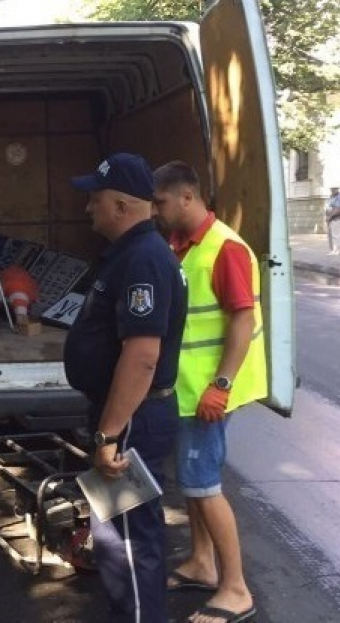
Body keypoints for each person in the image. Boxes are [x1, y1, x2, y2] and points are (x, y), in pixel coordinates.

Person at [64, 153, 187, 623]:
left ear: (120, 205)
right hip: (123, 418)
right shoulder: (133, 254)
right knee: (115, 535)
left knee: (130, 542)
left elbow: (142, 356)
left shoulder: (143, 260)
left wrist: (111, 434)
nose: (88, 209)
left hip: (131, 421)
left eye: (95, 199)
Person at [152, 161, 263, 623]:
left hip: (207, 394)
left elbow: (243, 319)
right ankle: (201, 561)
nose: (155, 212)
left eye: (159, 203)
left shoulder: (224, 248)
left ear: (186, 198)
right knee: (192, 485)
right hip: (189, 390)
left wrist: (221, 385)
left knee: (204, 485)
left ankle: (236, 588)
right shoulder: (183, 246)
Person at [325, 186, 340, 255]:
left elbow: (337, 209)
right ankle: (333, 250)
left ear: (337, 189)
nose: (332, 190)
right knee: (330, 235)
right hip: (330, 218)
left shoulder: (338, 197)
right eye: (331, 189)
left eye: (334, 189)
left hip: (335, 218)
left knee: (335, 235)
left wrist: (330, 216)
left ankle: (336, 250)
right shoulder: (331, 197)